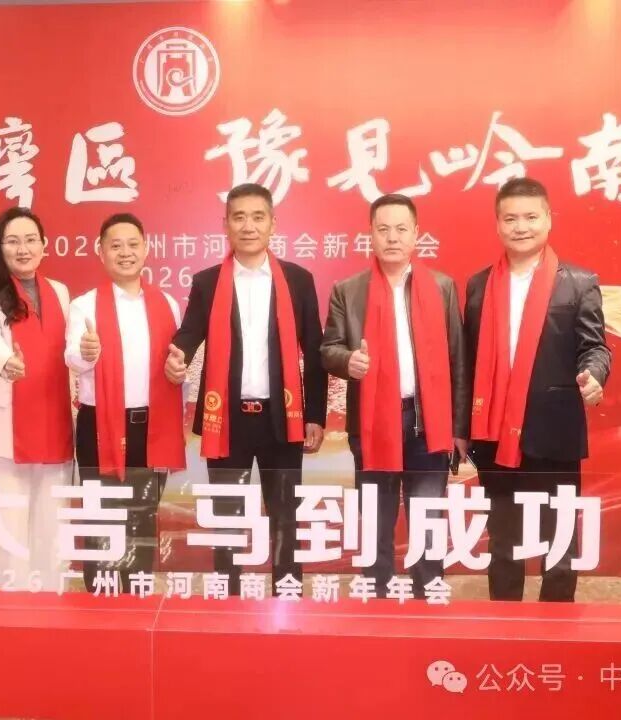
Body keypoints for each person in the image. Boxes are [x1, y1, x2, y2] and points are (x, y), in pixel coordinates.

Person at [167, 182, 328, 597]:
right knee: (228, 520)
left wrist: (315, 416)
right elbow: (188, 334)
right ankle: (228, 602)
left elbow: (314, 350)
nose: (248, 226)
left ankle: (287, 600)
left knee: (285, 517)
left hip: (284, 419)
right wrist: (176, 356)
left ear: (273, 223)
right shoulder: (207, 283)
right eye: (238, 217)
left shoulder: (298, 280)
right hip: (227, 420)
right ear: (225, 225)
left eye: (258, 217)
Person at [464, 177, 611, 602]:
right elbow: (468, 360)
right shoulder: (479, 285)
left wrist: (594, 375)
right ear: (498, 224)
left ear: (549, 219)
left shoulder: (578, 282)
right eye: (510, 218)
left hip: (554, 430)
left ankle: (557, 623)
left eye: (530, 217)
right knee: (503, 539)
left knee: (559, 538)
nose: (521, 227)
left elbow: (595, 346)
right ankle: (504, 619)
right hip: (493, 433)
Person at [321, 193, 469, 598]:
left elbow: (458, 359)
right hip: (373, 426)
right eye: (383, 229)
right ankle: (378, 605)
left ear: (416, 234)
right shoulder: (348, 290)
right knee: (375, 524)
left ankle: (426, 605)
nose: (392, 237)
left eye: (401, 229)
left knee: (427, 524)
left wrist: (459, 427)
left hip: (428, 425)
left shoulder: (442, 287)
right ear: (370, 234)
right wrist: (348, 361)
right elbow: (328, 349)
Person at [65, 212, 185, 592]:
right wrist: (87, 352)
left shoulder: (167, 303)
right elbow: (72, 358)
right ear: (101, 252)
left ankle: (137, 596)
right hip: (100, 424)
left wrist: (179, 371)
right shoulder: (84, 305)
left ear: (146, 249)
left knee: (142, 518)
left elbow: (175, 363)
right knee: (101, 518)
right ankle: (100, 600)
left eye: (133, 244)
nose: (125, 252)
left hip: (151, 426)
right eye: (115, 246)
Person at [0, 206, 74, 591]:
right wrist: (5, 360)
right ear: (0, 247)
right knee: (6, 523)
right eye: (12, 241)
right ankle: (8, 601)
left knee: (52, 520)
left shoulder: (60, 291)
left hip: (54, 419)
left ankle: (52, 596)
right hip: (4, 425)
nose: (23, 249)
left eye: (30, 240)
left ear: (44, 245)